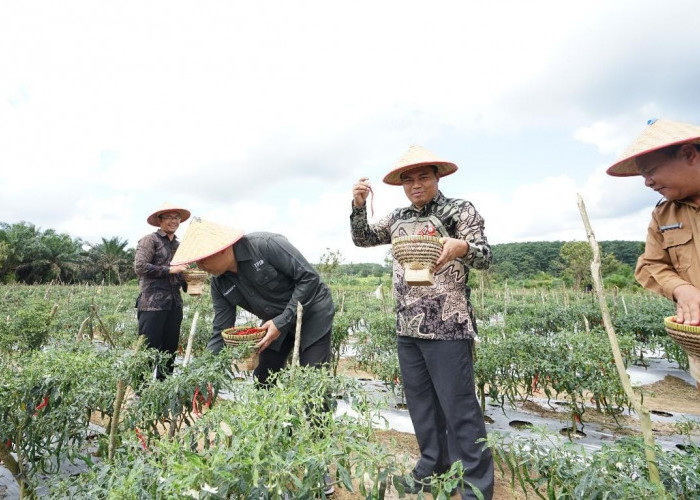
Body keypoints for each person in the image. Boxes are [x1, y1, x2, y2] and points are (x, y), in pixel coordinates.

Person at [350, 145, 494, 499]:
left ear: (437, 177)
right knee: (422, 407)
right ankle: (432, 467)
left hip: (449, 327)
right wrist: (357, 205)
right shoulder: (397, 217)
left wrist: (462, 248)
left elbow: (486, 257)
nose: (416, 185)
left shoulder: (459, 210)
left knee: (459, 407)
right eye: (409, 179)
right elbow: (362, 238)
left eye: (423, 177)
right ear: (401, 184)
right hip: (407, 327)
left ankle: (474, 485)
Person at [170, 217, 335, 385]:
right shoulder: (219, 284)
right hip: (274, 320)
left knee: (314, 379)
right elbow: (221, 329)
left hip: (312, 312)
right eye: (197, 260)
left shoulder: (266, 245)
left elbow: (309, 278)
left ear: (222, 248)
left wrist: (282, 321)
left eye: (203, 258)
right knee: (264, 376)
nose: (200, 265)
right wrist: (201, 372)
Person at [607, 118, 700, 394]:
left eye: (650, 171)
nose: (647, 182)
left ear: (688, 155)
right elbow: (650, 264)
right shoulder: (664, 215)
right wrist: (681, 289)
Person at [134, 202, 191, 380]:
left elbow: (180, 274)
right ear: (160, 220)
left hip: (174, 304)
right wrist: (169, 269)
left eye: (177, 218)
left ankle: (163, 389)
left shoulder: (179, 245)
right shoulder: (149, 240)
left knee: (170, 349)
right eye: (169, 217)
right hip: (152, 304)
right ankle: (139, 391)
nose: (173, 221)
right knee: (148, 349)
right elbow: (140, 266)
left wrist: (190, 283)